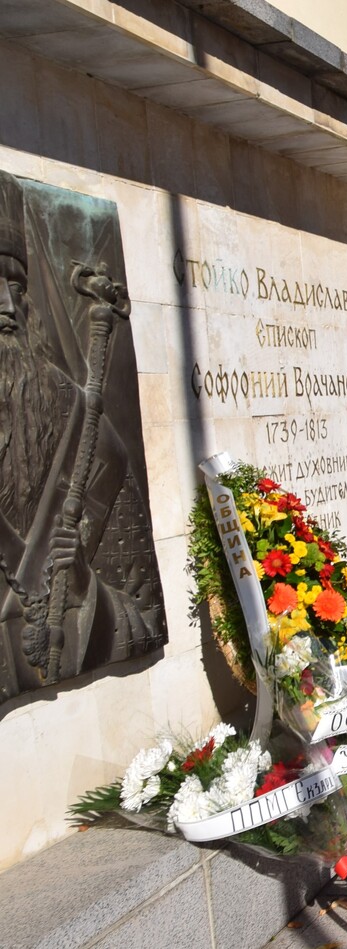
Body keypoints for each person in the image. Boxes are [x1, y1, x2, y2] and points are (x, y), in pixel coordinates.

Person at [0, 170, 165, 700]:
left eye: (16, 287)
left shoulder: (92, 441)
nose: (6, 306)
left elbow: (143, 617)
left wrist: (80, 588)